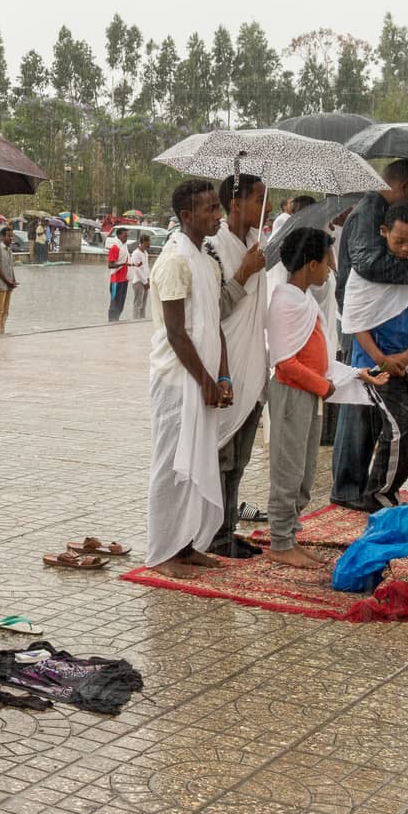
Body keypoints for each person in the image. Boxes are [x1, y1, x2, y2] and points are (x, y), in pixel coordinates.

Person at [266, 228, 389, 568]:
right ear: (310, 264)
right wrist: (325, 387)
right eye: (327, 262)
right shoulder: (284, 300)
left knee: (304, 472)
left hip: (310, 393)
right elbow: (284, 361)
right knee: (288, 469)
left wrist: (353, 374)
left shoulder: (304, 299)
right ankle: (279, 541)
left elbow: (313, 357)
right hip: (292, 395)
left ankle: (290, 534)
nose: (331, 269)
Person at [144, 180, 230, 579]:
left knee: (197, 461)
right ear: (186, 216)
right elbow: (177, 332)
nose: (218, 215)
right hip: (178, 381)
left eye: (218, 207)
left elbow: (216, 325)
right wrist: (205, 380)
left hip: (204, 378)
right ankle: (163, 549)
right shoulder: (175, 260)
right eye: (210, 209)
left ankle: (188, 543)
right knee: (171, 465)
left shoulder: (208, 260)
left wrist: (223, 374)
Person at [334, 201, 408, 512]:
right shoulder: (367, 273)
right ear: (383, 232)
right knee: (398, 427)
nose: (406, 249)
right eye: (398, 241)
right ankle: (380, 496)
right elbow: (355, 321)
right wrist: (383, 360)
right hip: (374, 364)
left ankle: (386, 491)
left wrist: (407, 355)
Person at [205, 175, 268, 557]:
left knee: (239, 461)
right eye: (259, 198)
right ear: (235, 202)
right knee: (220, 459)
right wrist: (245, 271)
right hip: (225, 364)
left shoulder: (252, 245)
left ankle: (229, 529)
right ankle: (214, 535)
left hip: (252, 365)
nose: (266, 206)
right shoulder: (214, 249)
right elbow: (214, 309)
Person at [335, 160, 408, 313]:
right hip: (360, 316)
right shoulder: (369, 213)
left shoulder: (380, 210)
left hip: (372, 313)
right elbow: (370, 265)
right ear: (405, 187)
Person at [0, 227, 18, 335]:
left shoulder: (9, 250)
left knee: (6, 310)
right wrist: (7, 281)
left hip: (9, 285)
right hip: (0, 284)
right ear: (2, 237)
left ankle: (2, 330)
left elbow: (10, 267)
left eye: (11, 236)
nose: (11, 238)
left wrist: (13, 280)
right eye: (8, 236)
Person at [107, 227, 131, 322]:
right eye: (125, 235)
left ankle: (116, 320)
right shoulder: (115, 248)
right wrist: (123, 264)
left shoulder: (124, 247)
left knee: (121, 303)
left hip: (124, 279)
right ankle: (111, 321)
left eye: (127, 235)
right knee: (114, 303)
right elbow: (110, 265)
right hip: (116, 280)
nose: (127, 237)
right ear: (119, 235)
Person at [128, 234, 152, 320]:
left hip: (145, 281)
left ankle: (142, 321)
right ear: (144, 242)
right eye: (149, 241)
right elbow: (137, 269)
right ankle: (135, 321)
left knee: (143, 304)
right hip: (138, 282)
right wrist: (145, 282)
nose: (150, 243)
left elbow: (146, 267)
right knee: (138, 304)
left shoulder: (145, 253)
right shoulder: (136, 253)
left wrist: (148, 279)